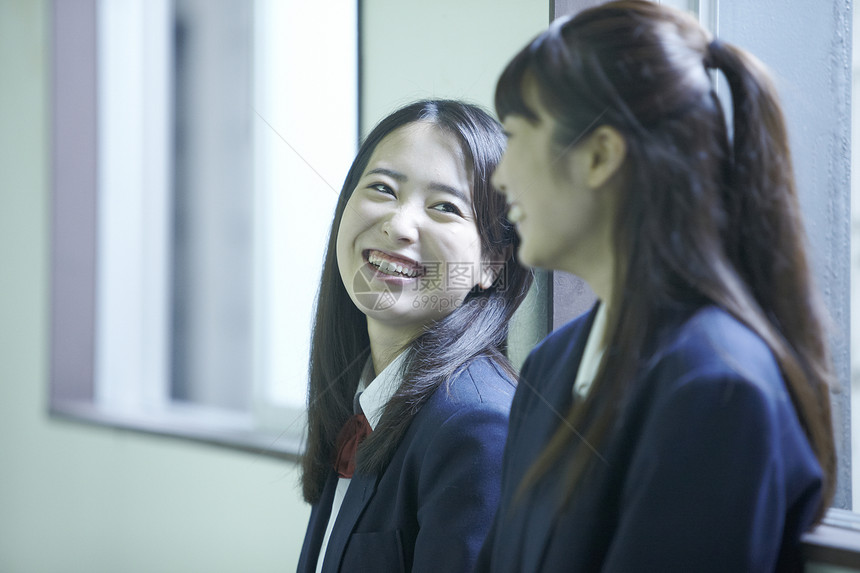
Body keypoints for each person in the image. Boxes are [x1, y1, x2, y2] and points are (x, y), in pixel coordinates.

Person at [477, 2, 836, 572]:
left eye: (517, 135)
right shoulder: (551, 365)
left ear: (599, 156)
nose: (500, 175)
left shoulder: (718, 389)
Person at [296, 100, 532, 573]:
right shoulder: (364, 398)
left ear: (493, 262)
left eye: (445, 206)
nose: (399, 225)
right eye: (382, 189)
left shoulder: (477, 426)